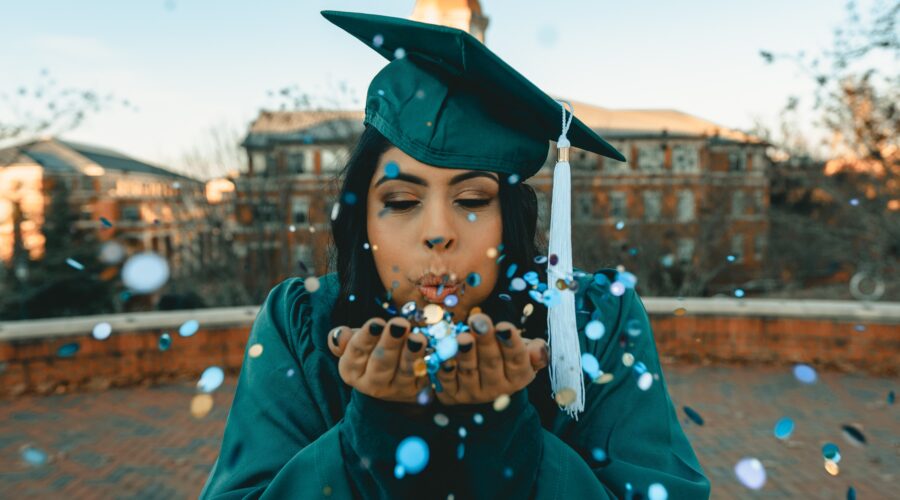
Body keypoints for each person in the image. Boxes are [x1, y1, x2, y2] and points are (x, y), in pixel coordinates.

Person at [200, 10, 710, 500]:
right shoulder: (303, 324)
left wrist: (505, 435)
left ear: (510, 219)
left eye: (471, 200)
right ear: (363, 219)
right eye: (401, 202)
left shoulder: (588, 319)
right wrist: (375, 427)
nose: (438, 233)